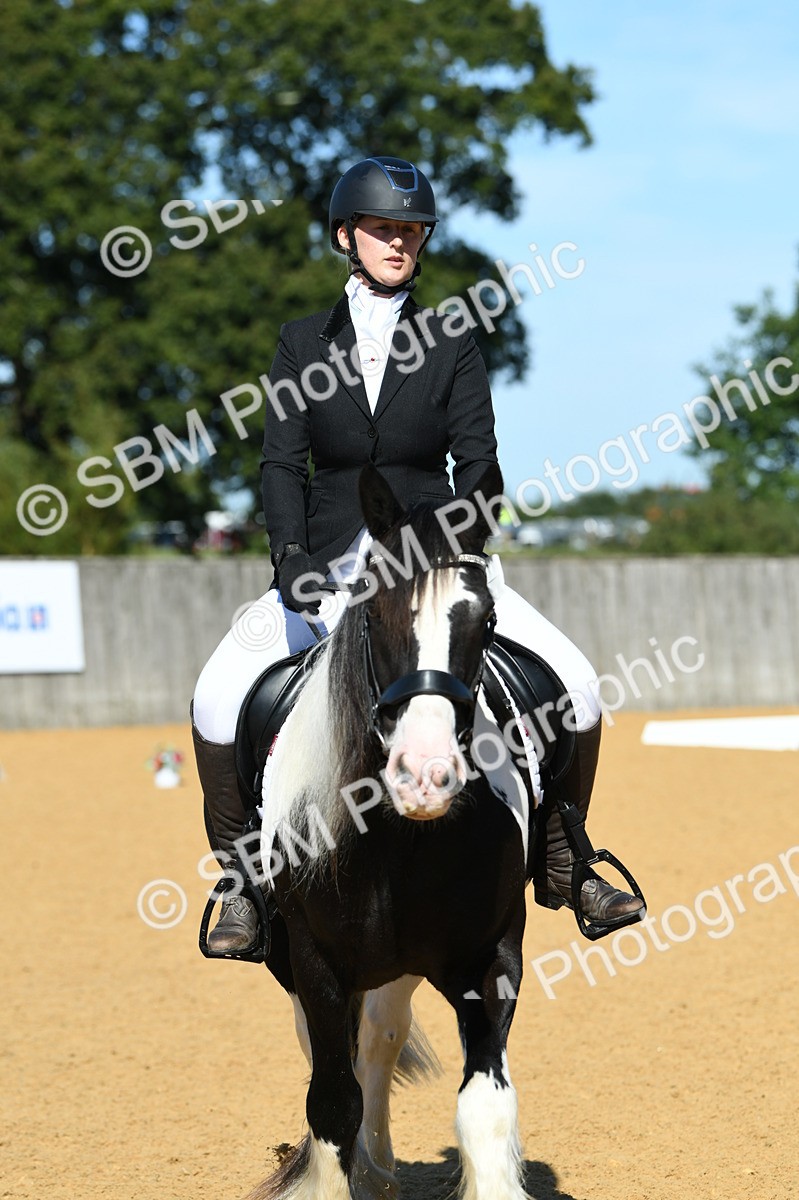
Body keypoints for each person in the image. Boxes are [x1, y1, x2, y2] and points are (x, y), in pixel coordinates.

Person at [192, 156, 643, 953]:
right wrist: (289, 554)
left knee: (574, 681)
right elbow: (279, 463)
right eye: (382, 229)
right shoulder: (301, 344)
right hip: (327, 564)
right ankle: (241, 880)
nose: (398, 242)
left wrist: (460, 543)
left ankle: (566, 860)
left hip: (437, 563)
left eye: (410, 230)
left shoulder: (453, 338)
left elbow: (478, 459)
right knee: (218, 692)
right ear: (346, 236)